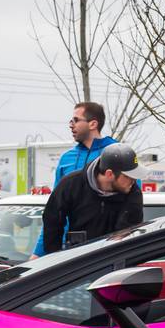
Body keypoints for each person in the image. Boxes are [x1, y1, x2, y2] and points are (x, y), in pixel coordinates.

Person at [33, 101, 118, 256]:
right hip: (68, 250)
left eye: (76, 120)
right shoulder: (67, 159)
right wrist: (39, 251)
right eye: (71, 121)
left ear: (93, 124)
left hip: (106, 249)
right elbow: (55, 209)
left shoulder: (116, 154)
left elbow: (131, 202)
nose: (71, 125)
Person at [40, 144, 145, 254]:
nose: (133, 180)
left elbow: (128, 232)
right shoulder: (71, 184)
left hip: (114, 259)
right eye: (128, 176)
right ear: (109, 174)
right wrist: (54, 258)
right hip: (76, 258)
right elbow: (52, 221)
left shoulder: (133, 193)